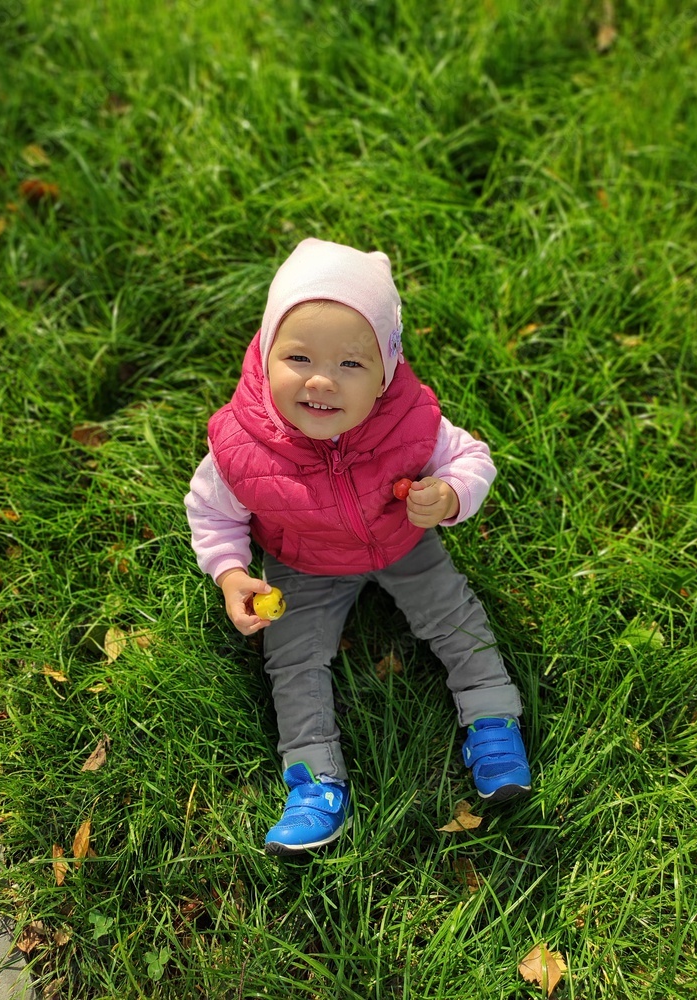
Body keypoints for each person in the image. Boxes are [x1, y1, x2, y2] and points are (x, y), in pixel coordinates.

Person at [185, 238, 531, 855]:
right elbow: (212, 512)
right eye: (297, 357)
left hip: (401, 539)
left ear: (386, 372)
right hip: (303, 561)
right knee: (291, 660)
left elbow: (472, 458)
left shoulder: (411, 421)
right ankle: (315, 780)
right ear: (265, 356)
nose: (321, 380)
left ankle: (492, 721)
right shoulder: (241, 446)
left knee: (455, 617)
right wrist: (232, 573)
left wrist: (450, 494)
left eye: (351, 364)